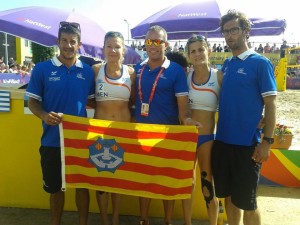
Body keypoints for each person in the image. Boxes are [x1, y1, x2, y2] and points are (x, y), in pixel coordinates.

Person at [25, 21, 95, 225]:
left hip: (80, 141)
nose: (68, 45)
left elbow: (92, 100)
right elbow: (32, 102)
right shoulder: (42, 69)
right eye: (64, 40)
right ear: (58, 42)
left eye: (72, 41)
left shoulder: (88, 71)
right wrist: (44, 115)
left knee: (82, 186)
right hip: (51, 141)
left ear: (79, 44)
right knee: (55, 189)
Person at [211, 9, 277, 225]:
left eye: (234, 30)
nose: (229, 35)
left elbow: (271, 104)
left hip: (247, 145)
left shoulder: (260, 63)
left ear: (246, 31)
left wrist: (267, 142)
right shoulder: (228, 65)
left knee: (248, 203)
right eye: (226, 31)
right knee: (228, 198)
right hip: (222, 142)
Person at [134, 25, 201, 225]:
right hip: (142, 135)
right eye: (149, 41)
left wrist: (187, 120)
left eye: (157, 42)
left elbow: (183, 109)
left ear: (166, 44)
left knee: (166, 182)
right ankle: (144, 220)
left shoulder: (175, 72)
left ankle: (168, 221)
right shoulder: (138, 69)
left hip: (167, 136)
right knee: (143, 182)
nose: (152, 46)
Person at [92, 31, 135, 225]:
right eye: (109, 46)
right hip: (100, 134)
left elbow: (133, 102)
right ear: (103, 49)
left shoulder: (131, 73)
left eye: (117, 46)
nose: (113, 50)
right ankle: (104, 220)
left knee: (118, 179)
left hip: (123, 134)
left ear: (123, 50)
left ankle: (115, 218)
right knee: (101, 181)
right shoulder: (95, 71)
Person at [185, 34, 223, 225]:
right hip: (188, 137)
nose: (198, 54)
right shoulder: (186, 78)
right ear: (189, 56)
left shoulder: (219, 76)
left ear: (209, 50)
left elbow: (232, 106)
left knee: (207, 186)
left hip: (207, 138)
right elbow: (181, 109)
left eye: (201, 49)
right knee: (186, 184)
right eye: (193, 51)